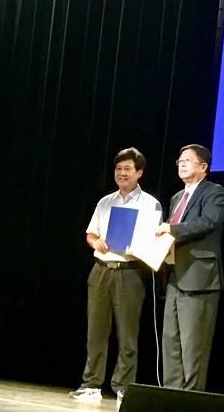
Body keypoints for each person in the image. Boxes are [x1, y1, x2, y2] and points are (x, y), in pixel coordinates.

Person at [70, 147, 161, 403]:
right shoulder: (105, 202)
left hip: (129, 272)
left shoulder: (150, 204)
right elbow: (91, 233)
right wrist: (95, 242)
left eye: (127, 169)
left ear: (139, 173)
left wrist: (138, 248)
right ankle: (91, 385)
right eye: (118, 169)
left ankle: (123, 388)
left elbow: (155, 239)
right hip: (101, 269)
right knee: (96, 331)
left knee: (127, 334)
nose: (122, 173)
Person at [156, 144, 224, 391]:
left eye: (187, 160)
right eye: (179, 161)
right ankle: (171, 396)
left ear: (203, 166)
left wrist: (171, 229)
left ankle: (190, 399)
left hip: (199, 279)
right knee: (171, 343)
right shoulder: (177, 197)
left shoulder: (214, 192)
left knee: (193, 346)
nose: (182, 164)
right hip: (174, 276)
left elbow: (208, 222)